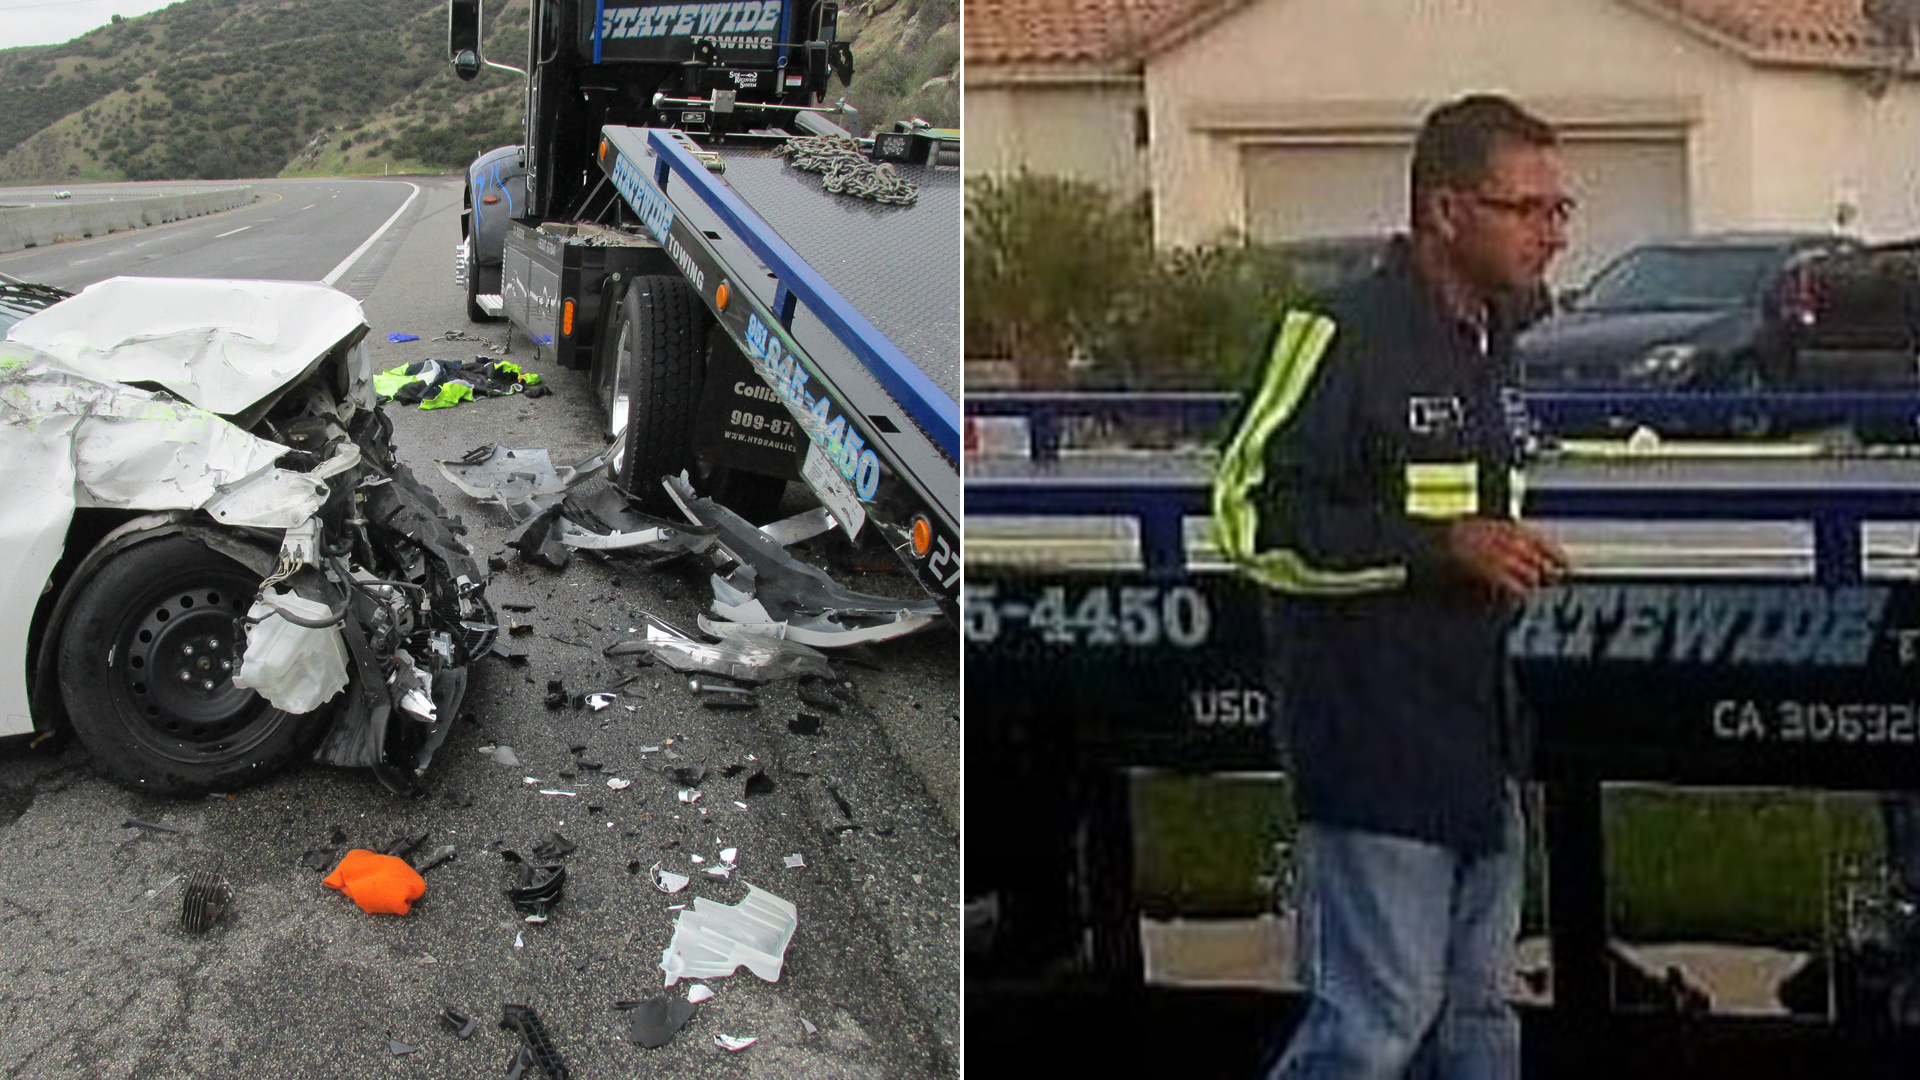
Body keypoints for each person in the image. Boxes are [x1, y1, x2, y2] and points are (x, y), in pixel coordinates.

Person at [1211, 94, 1574, 1078]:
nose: (1552, 233)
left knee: (1477, 1022)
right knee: (1376, 1023)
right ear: (1446, 210)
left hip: (1481, 740)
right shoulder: (1338, 333)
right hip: (1372, 744)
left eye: (1560, 210)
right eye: (1527, 208)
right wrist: (1438, 546)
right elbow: (1249, 516)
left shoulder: (1497, 347)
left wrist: (1495, 550)